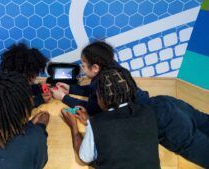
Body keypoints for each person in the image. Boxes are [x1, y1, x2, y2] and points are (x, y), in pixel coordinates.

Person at [52, 41, 209, 168]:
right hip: (165, 102)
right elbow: (93, 92)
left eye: (84, 65)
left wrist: (65, 98)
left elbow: (93, 108)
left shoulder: (102, 113)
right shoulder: (114, 73)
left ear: (96, 67)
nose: (82, 68)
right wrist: (71, 89)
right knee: (204, 121)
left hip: (166, 122)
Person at [61, 67, 160, 169]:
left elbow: (84, 158)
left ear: (101, 98)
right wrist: (91, 122)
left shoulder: (96, 124)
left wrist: (74, 126)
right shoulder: (148, 112)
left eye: (97, 95)